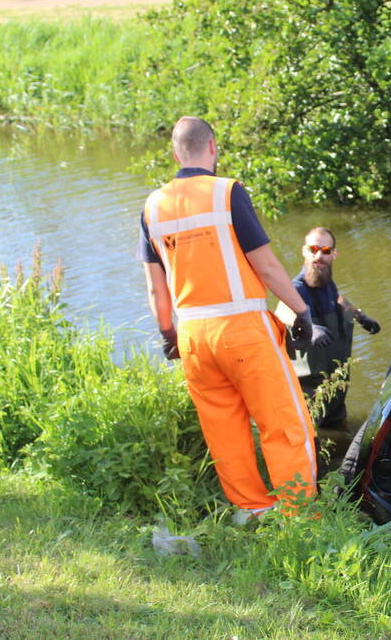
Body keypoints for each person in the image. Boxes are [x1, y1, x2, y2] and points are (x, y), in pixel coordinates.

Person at [138, 116, 324, 522]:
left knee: (225, 431)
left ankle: (251, 511)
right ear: (212, 148)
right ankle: (300, 518)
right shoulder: (227, 193)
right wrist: (301, 309)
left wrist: (168, 333)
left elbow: (156, 288)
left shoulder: (152, 207)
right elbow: (268, 267)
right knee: (285, 423)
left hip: (191, 337)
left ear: (175, 154)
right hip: (242, 331)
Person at [275, 227, 380, 427]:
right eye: (313, 249)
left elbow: (339, 299)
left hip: (336, 385)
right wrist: (308, 326)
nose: (319, 256)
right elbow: (281, 311)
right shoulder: (296, 288)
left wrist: (360, 315)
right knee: (312, 433)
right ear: (303, 251)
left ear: (334, 254)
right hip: (310, 391)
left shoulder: (327, 283)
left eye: (325, 250)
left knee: (340, 429)